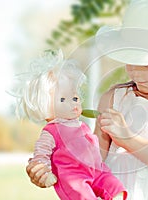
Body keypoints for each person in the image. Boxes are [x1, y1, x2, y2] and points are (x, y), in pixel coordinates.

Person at [26, 0, 148, 199]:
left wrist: (128, 138)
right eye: (130, 60)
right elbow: (92, 162)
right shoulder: (114, 99)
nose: (135, 71)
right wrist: (53, 168)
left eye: (147, 64)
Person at [19, 50, 127, 200]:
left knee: (115, 187)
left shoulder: (82, 126)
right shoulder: (52, 131)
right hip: (73, 177)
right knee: (83, 195)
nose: (74, 103)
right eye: (63, 99)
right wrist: (44, 170)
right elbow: (41, 153)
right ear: (45, 105)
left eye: (75, 97)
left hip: (97, 170)